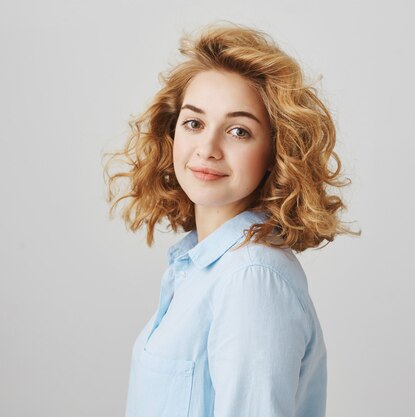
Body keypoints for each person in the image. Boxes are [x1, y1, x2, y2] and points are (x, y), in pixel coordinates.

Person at [104, 22, 359, 417]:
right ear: (172, 133)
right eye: (194, 123)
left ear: (277, 151)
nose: (207, 148)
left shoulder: (251, 279)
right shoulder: (201, 265)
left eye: (239, 131)